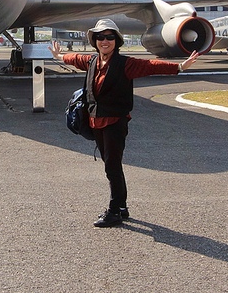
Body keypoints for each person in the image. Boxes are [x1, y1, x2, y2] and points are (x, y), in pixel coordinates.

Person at [49, 18, 199, 228]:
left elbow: (150, 66)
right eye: (100, 37)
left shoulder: (125, 64)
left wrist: (180, 67)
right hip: (96, 121)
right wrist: (60, 56)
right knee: (112, 165)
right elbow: (76, 58)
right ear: (95, 41)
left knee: (112, 166)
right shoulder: (93, 62)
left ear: (116, 41)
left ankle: (113, 211)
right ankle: (122, 207)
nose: (105, 41)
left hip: (115, 123)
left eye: (109, 37)